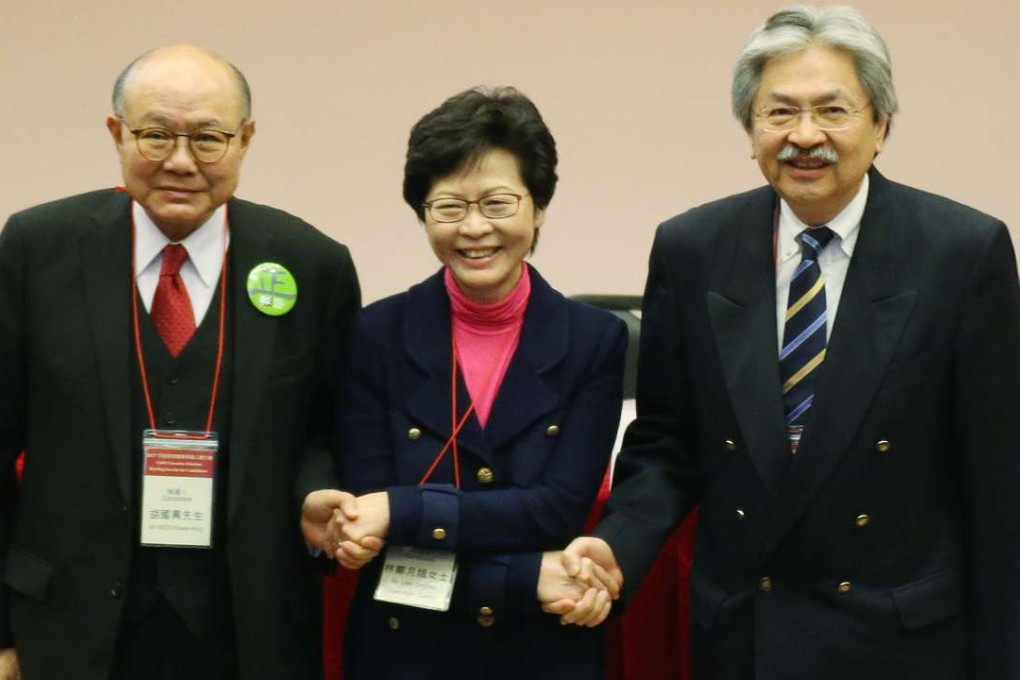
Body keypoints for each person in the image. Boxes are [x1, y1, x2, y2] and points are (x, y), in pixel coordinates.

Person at [549, 5, 1020, 679]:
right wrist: (616, 546)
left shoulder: (961, 253)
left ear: (881, 125)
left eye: (833, 111)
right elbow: (667, 443)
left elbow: (997, 482)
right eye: (780, 113)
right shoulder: (693, 249)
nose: (805, 136)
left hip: (899, 639)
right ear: (750, 127)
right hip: (746, 631)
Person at [0, 45, 361, 679]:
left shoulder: (313, 265)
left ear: (245, 140)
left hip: (248, 626)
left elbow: (327, 432)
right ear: (117, 134)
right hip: (68, 626)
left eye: (209, 139)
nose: (180, 161)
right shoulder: (36, 250)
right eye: (156, 135)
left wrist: (314, 493)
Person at [326, 86, 627, 678]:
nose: (473, 229)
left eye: (497, 203)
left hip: (541, 647)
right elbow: (368, 524)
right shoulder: (374, 334)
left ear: (538, 206)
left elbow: (556, 511)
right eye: (448, 207)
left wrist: (401, 510)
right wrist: (525, 575)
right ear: (422, 214)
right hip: (405, 645)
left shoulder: (594, 340)